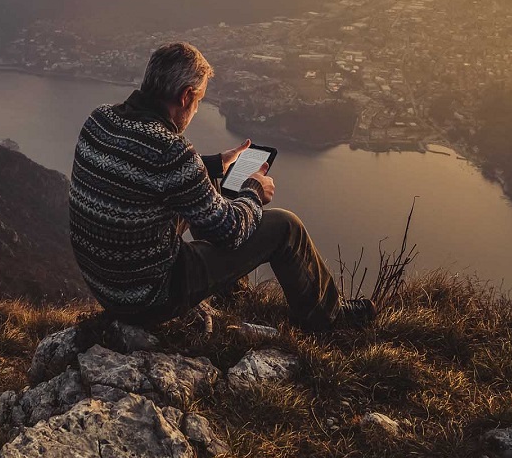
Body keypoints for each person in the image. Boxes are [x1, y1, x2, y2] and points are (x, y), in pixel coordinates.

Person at [68, 41, 377, 331]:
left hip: (107, 285)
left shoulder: (99, 120)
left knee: (208, 187)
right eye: (200, 99)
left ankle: (231, 293)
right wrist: (253, 191)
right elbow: (231, 231)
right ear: (186, 96)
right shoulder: (171, 151)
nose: (197, 108)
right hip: (149, 297)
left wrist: (214, 165)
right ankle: (329, 317)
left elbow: (140, 171)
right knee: (286, 227)